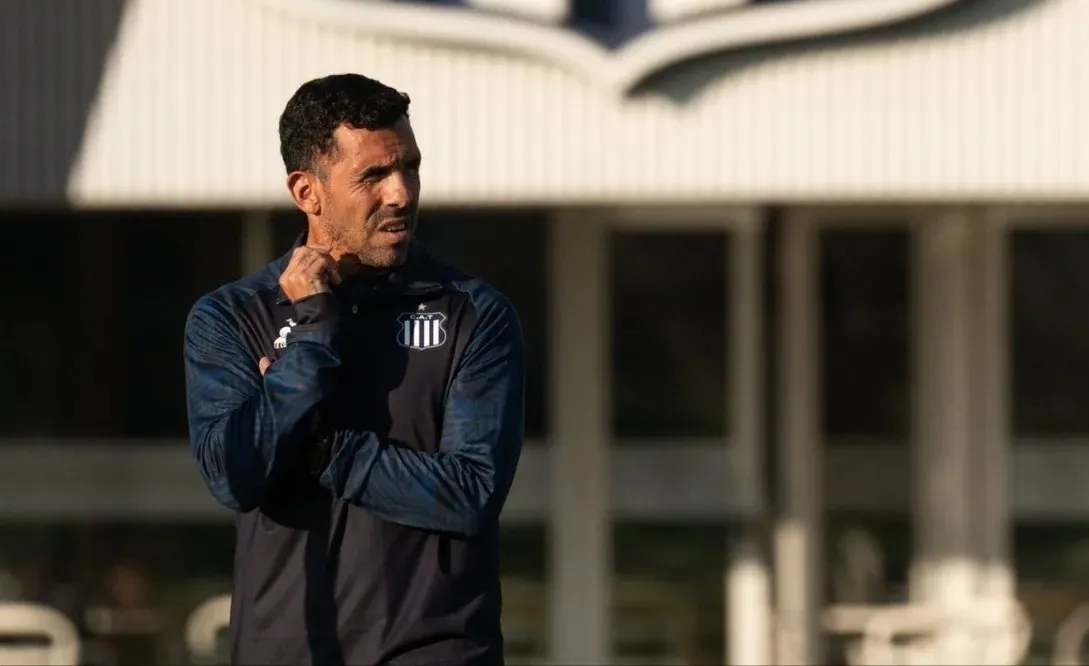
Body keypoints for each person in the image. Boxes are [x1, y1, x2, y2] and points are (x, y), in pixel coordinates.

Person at [183, 73, 525, 665]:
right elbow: (235, 474)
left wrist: (320, 449)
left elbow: (470, 494)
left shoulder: (474, 314)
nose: (402, 194)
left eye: (410, 168)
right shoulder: (231, 318)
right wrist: (313, 328)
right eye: (373, 175)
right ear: (307, 192)